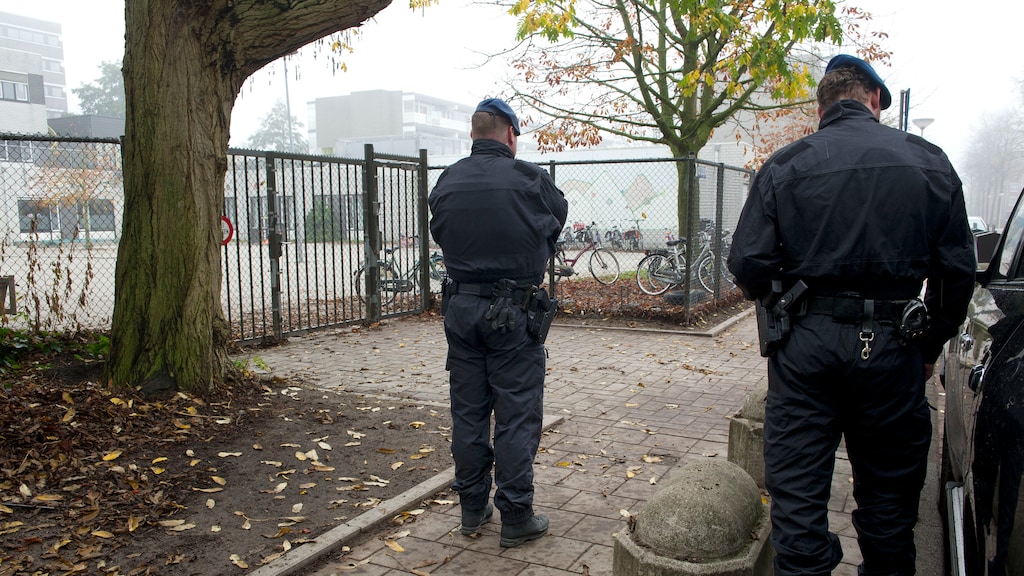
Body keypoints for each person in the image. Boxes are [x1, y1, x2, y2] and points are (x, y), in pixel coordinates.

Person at [727, 55, 976, 575]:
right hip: (895, 349)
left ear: (821, 108)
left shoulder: (787, 164)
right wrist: (928, 345)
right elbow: (956, 275)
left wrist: (787, 301)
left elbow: (747, 261)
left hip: (806, 350)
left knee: (798, 517)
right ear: (875, 99)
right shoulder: (929, 162)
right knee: (890, 517)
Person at [428, 98, 568, 548]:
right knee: (516, 414)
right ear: (510, 134)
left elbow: (439, 230)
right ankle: (516, 515)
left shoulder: (448, 180)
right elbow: (556, 221)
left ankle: (472, 508)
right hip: (514, 315)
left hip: (461, 311)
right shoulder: (530, 179)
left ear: (474, 133)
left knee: (468, 413)